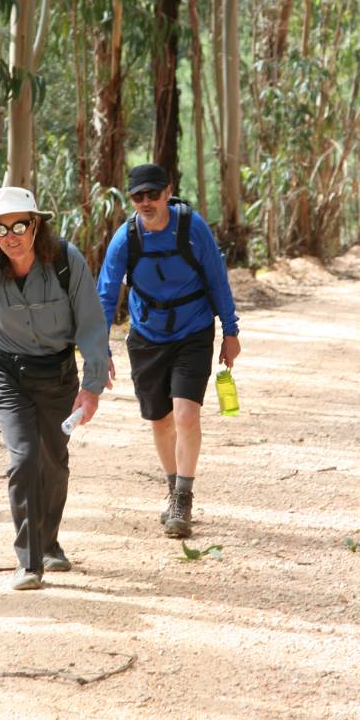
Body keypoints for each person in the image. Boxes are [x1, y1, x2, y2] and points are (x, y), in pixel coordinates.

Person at [0, 187, 110, 591]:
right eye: (1, 228)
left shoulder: (64, 261)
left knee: (52, 462)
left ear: (36, 224)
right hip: (6, 373)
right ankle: (29, 561)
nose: (11, 235)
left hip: (57, 374)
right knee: (23, 459)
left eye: (20, 225)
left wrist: (91, 387)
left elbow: (92, 324)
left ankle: (50, 540)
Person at [96, 164, 240, 539]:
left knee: (186, 414)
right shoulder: (125, 238)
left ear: (168, 191)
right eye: (137, 196)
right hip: (146, 335)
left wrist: (231, 330)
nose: (146, 202)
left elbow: (217, 280)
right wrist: (100, 348)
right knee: (159, 420)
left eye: (153, 194)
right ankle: (172, 484)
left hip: (193, 331)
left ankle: (183, 497)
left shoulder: (193, 229)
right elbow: (106, 294)